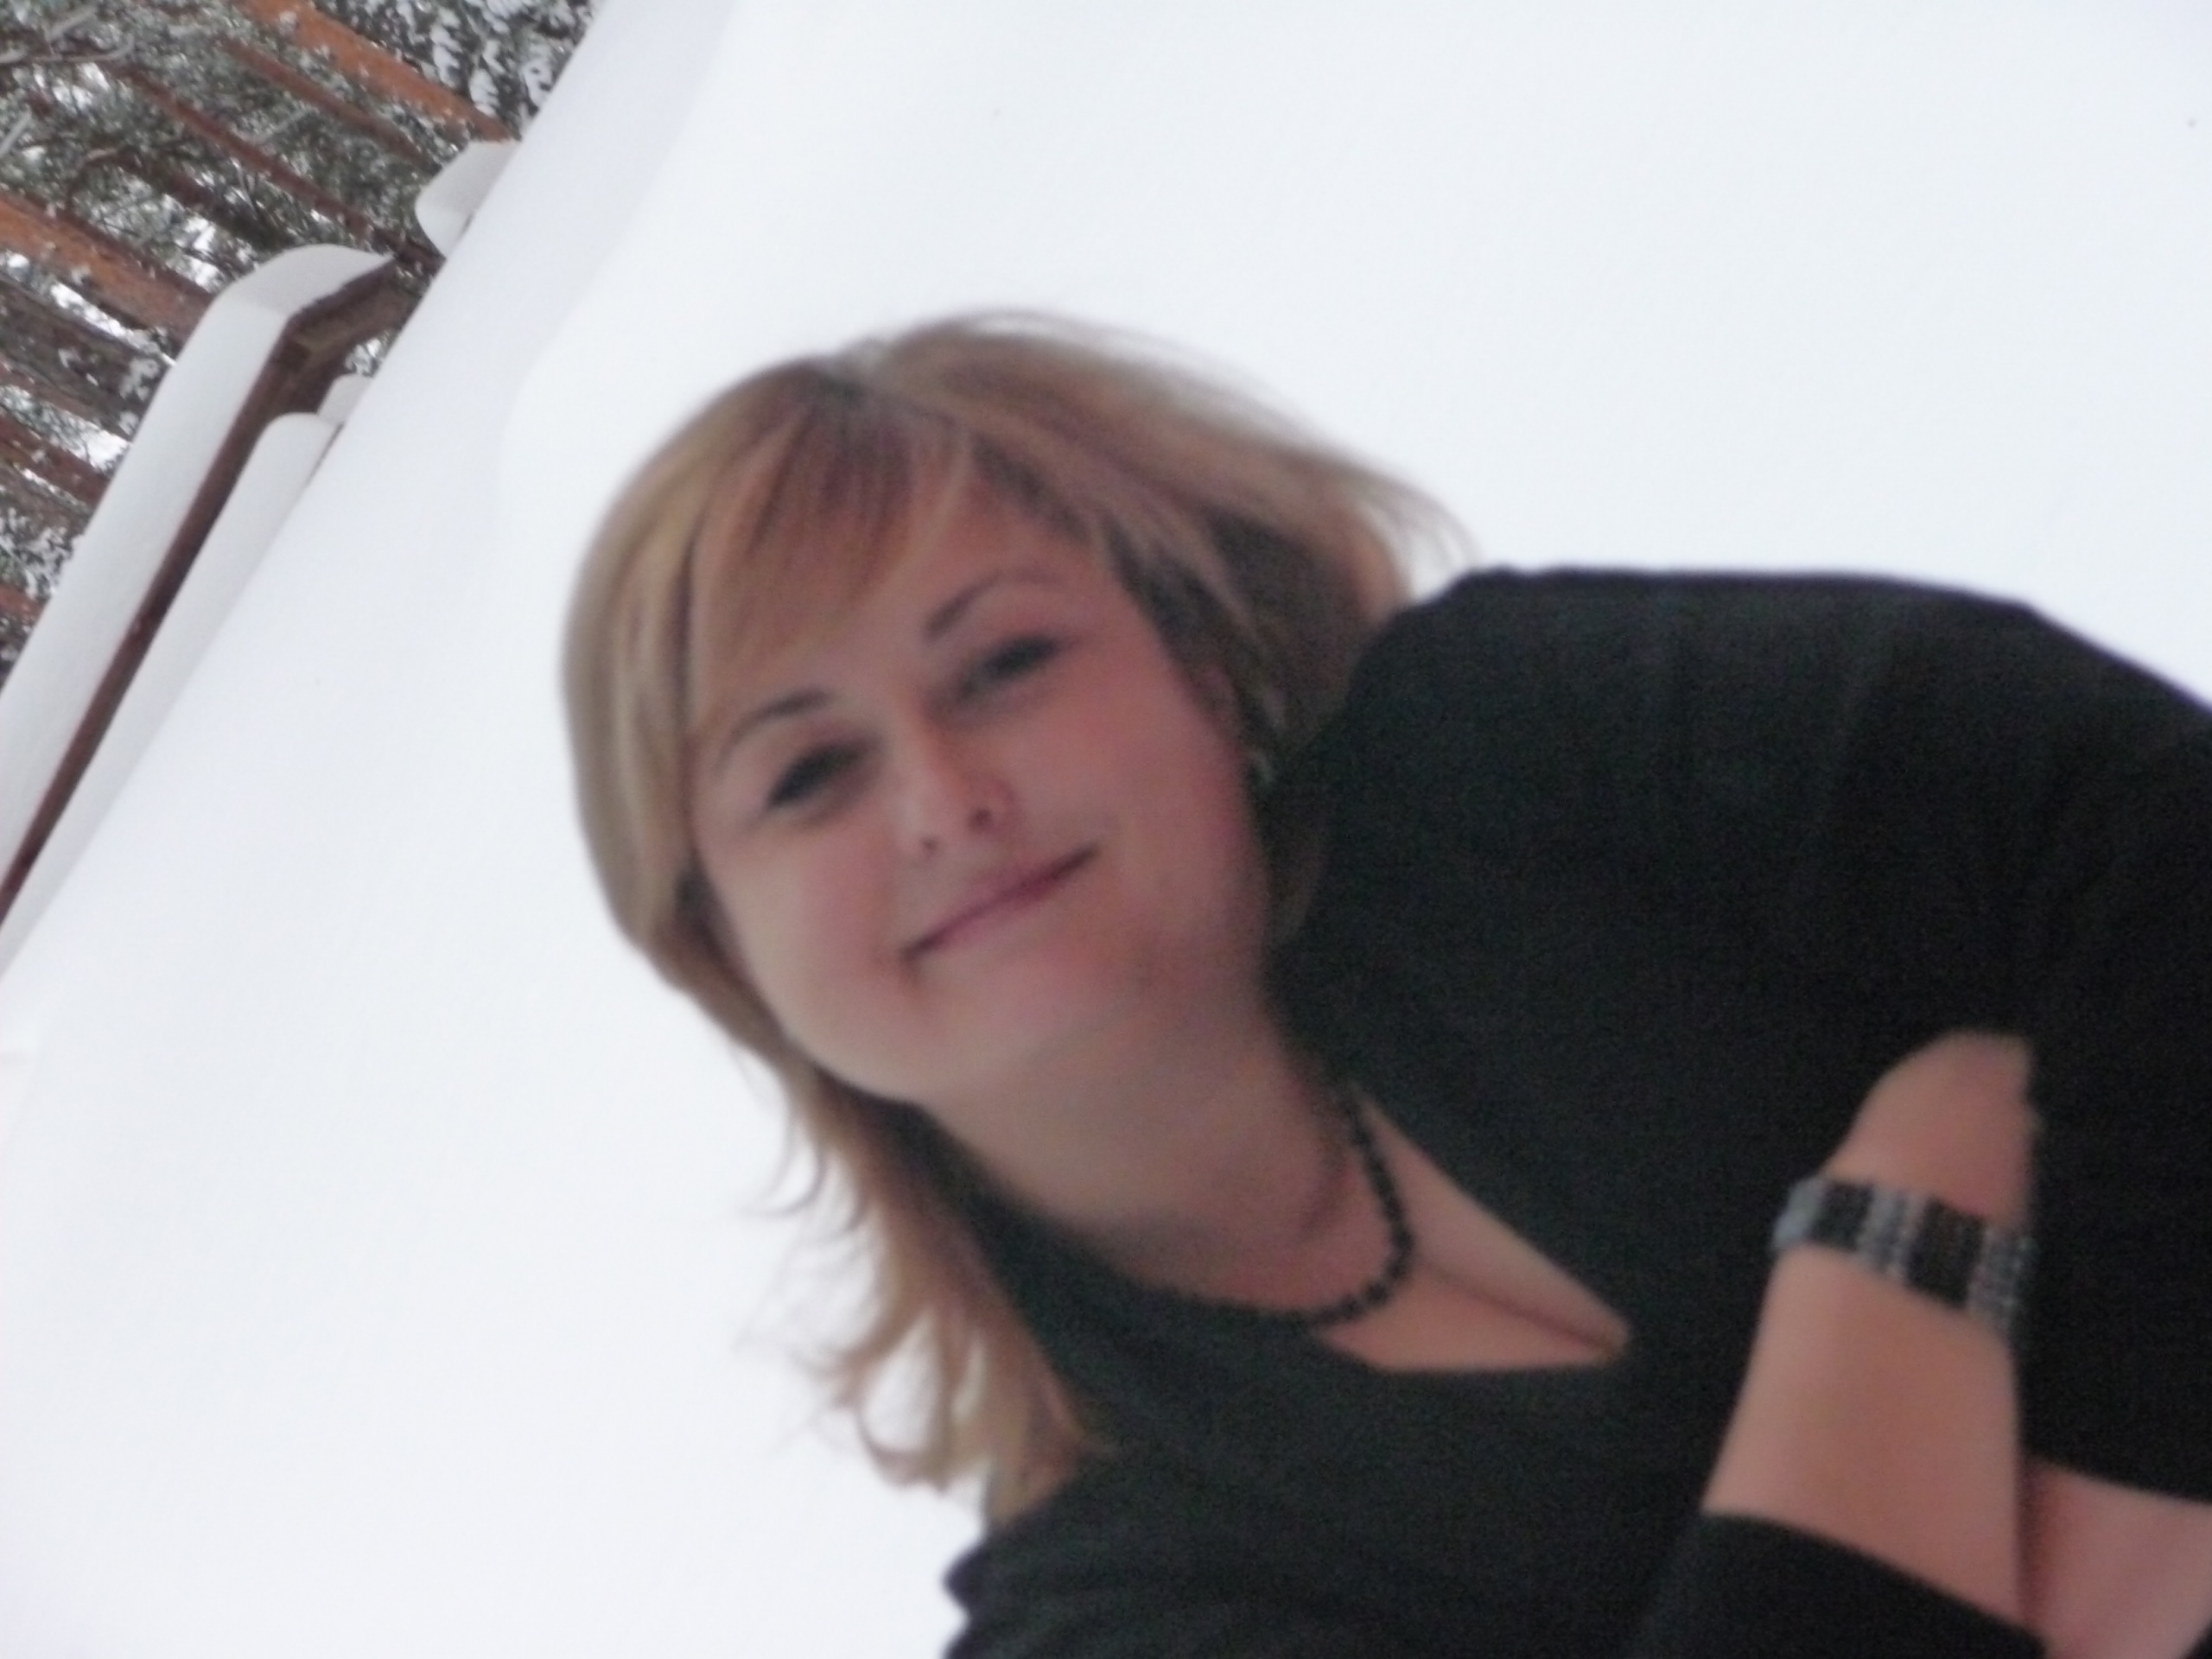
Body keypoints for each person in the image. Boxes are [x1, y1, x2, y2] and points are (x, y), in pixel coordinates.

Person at [563, 315, 2212, 1656]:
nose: (943, 800)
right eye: (809, 777)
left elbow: (2149, 826)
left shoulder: (1511, 758)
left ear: (1201, 665)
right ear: (722, 948)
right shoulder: (1113, 1611)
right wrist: (1908, 1223)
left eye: (1006, 664)